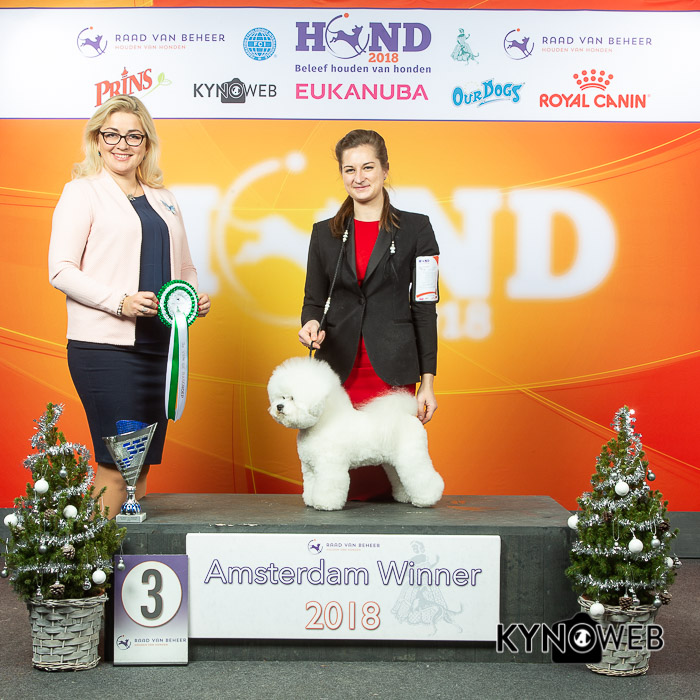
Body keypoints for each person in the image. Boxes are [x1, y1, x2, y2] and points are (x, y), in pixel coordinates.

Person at [48, 95, 211, 517]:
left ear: (146, 143)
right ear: (97, 140)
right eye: (112, 134)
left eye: (133, 136)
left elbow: (185, 267)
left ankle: (121, 558)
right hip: (106, 351)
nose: (122, 144)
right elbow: (60, 270)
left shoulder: (164, 197)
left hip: (161, 350)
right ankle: (87, 556)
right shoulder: (81, 193)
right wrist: (119, 302)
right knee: (117, 467)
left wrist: (192, 298)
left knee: (138, 472)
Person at [298, 129, 439, 500]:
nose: (358, 177)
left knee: (396, 476)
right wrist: (310, 323)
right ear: (341, 174)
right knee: (339, 478)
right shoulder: (323, 233)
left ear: (385, 170)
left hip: (392, 370)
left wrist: (427, 382)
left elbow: (425, 307)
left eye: (368, 167)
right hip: (338, 371)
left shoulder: (417, 228)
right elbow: (313, 300)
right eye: (349, 170)